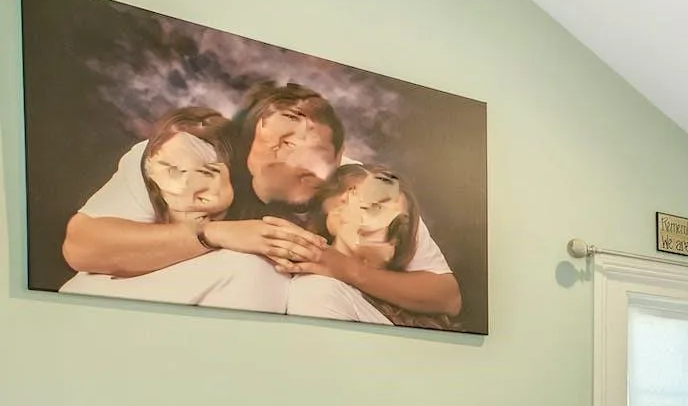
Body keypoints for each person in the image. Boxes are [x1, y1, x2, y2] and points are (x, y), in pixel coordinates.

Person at [62, 83, 461, 322]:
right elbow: (82, 247)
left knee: (307, 289)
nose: (311, 170)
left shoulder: (357, 184)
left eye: (320, 157)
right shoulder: (187, 154)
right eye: (282, 148)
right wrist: (214, 233)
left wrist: (342, 267)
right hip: (146, 313)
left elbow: (446, 295)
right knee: (251, 268)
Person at [58, 106, 290, 311]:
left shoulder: (272, 184)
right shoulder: (159, 155)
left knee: (258, 270)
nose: (187, 188)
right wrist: (212, 233)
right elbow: (80, 247)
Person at [287, 163, 461, 326]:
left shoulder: (406, 302)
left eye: (398, 226)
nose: (388, 223)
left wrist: (351, 270)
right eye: (377, 207)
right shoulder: (318, 292)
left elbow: (450, 298)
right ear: (339, 209)